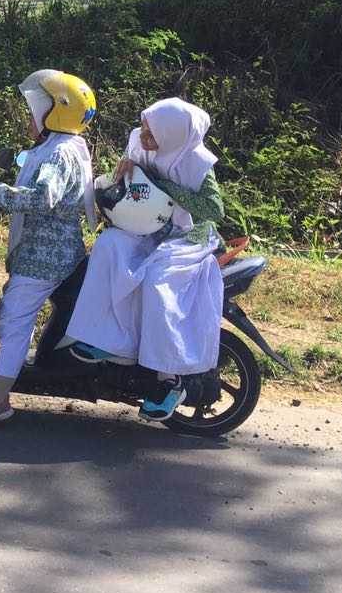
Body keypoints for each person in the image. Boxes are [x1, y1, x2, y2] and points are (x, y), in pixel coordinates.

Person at [63, 97, 225, 421]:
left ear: (176, 137)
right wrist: (120, 172)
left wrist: (163, 183)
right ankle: (106, 339)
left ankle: (168, 380)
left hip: (186, 235)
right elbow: (129, 185)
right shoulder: (139, 142)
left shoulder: (197, 163)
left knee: (158, 277)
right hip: (145, 228)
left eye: (153, 135)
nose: (145, 139)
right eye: (144, 129)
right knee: (108, 245)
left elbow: (214, 210)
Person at [0, 70, 98, 430]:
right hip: (56, 250)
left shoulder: (58, 154)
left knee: (14, 320)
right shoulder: (64, 147)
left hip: (45, 257)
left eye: (36, 109)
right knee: (12, 316)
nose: (29, 118)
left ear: (55, 113)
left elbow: (42, 197)